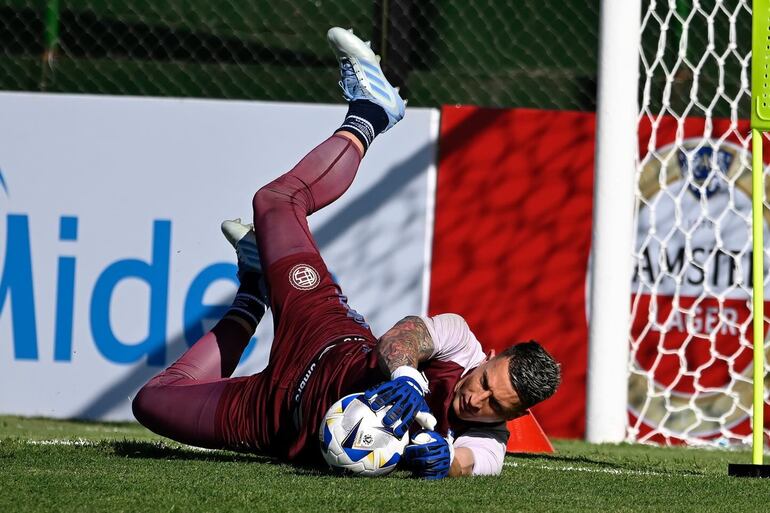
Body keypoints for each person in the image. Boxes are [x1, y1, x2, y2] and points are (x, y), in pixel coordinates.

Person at [132, 27, 560, 479]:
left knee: (152, 401)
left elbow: (465, 463)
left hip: (276, 420)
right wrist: (407, 375)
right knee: (274, 201)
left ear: (512, 418)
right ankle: (372, 112)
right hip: (321, 339)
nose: (476, 399)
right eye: (486, 382)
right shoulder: (460, 343)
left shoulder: (488, 443)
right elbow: (404, 337)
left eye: (495, 405)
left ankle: (253, 293)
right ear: (489, 357)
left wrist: (439, 461)